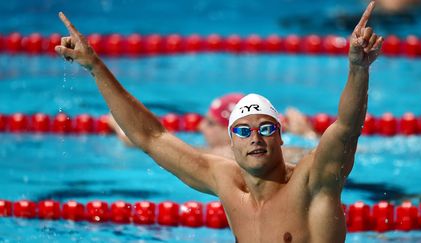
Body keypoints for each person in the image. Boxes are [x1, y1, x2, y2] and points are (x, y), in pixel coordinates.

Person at [55, 1, 383, 242]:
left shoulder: (313, 182)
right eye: (244, 130)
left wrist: (358, 68)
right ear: (231, 143)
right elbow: (151, 138)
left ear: (281, 138)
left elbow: (345, 129)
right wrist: (95, 66)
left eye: (266, 128)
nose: (255, 137)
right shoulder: (226, 182)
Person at [107, 93, 317, 161]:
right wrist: (307, 135)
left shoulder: (225, 153)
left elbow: (152, 142)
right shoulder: (282, 149)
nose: (200, 127)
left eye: (209, 122)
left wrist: (117, 123)